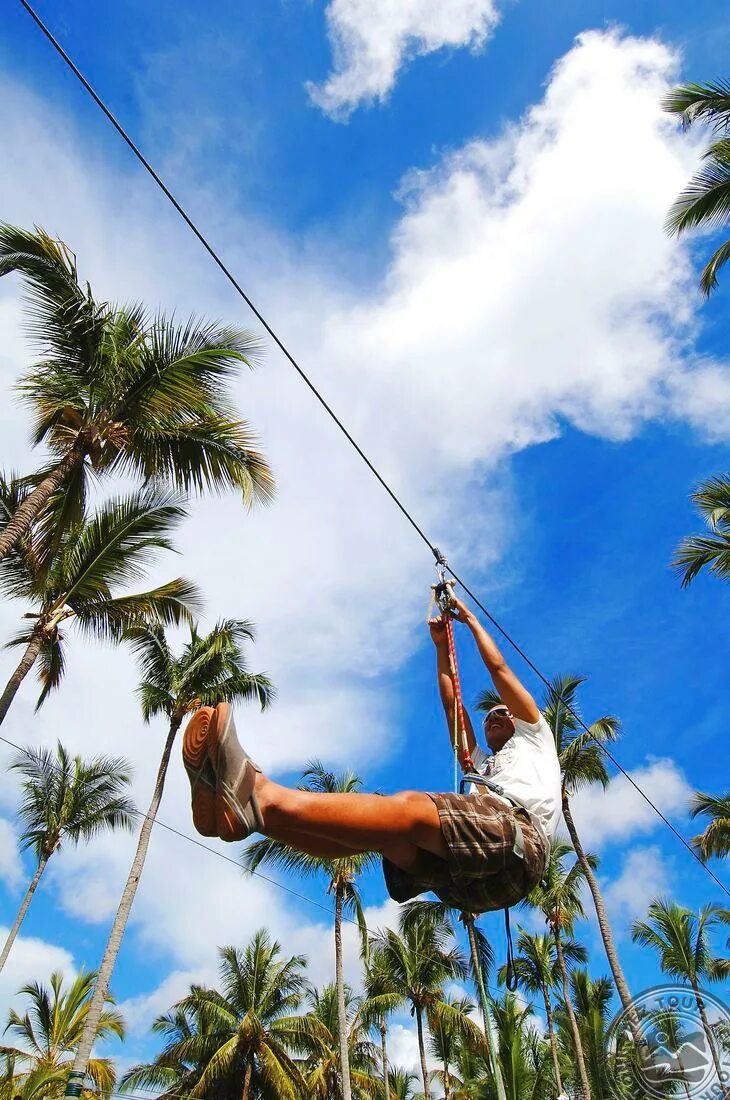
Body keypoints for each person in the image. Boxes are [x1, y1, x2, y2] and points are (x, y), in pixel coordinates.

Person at [183, 596, 560, 912]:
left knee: (409, 808)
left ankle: (261, 794)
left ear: (519, 719)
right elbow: (451, 706)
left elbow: (498, 668)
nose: (494, 716)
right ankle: (257, 816)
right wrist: (442, 647)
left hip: (520, 843)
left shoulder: (535, 735)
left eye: (501, 713)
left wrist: (472, 621)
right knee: (387, 831)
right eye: (489, 715)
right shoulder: (482, 766)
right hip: (472, 883)